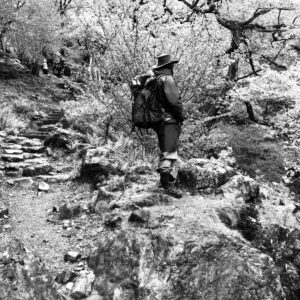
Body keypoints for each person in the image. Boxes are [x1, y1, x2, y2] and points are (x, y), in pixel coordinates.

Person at [152, 54, 185, 198]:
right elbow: (174, 102)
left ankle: (166, 178)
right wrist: (180, 116)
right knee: (169, 151)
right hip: (169, 120)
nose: (173, 67)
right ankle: (165, 186)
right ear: (169, 66)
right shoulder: (167, 79)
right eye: (172, 65)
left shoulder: (155, 80)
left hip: (158, 120)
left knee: (165, 149)